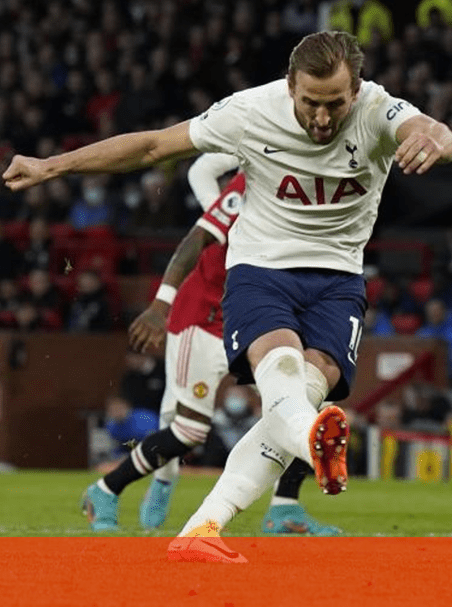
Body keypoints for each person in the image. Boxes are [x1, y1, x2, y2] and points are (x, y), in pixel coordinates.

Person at [3, 30, 452, 562]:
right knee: (283, 378)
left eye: (334, 104)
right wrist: (52, 165)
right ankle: (312, 440)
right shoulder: (249, 111)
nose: (320, 118)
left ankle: (202, 529)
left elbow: (434, 131)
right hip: (261, 270)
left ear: (355, 91)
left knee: (295, 403)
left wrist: (438, 142)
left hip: (339, 281)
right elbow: (153, 145)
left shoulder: (378, 110)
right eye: (309, 103)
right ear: (289, 86)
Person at [79, 163, 340, 536]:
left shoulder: (311, 201)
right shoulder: (253, 181)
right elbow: (202, 179)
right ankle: (105, 490)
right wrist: (160, 305)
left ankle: (284, 508)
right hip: (201, 320)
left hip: (250, 323)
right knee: (187, 431)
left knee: (301, 406)